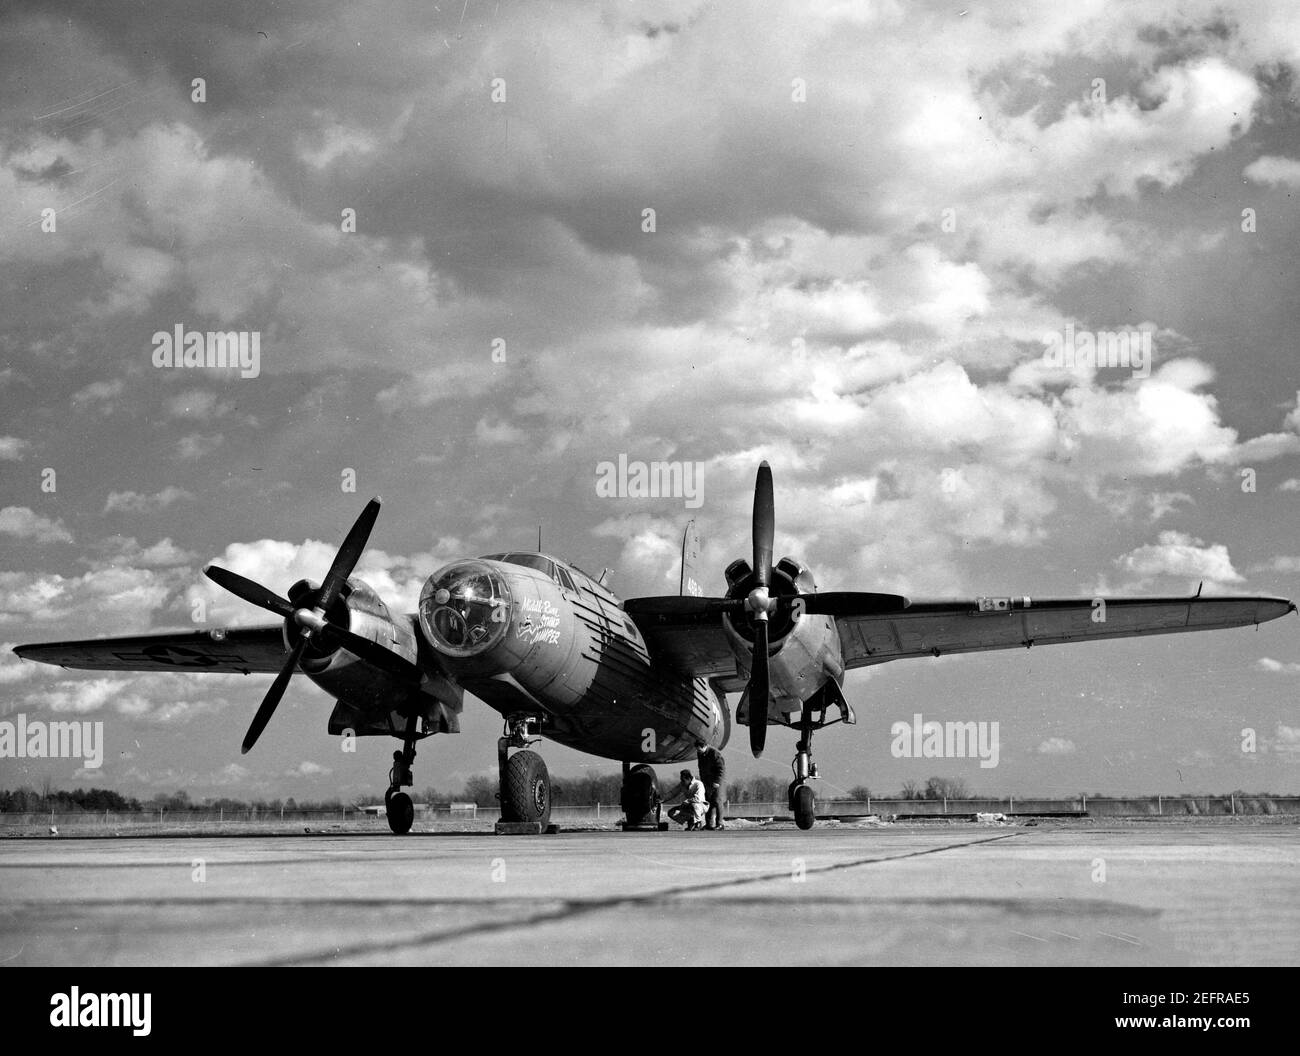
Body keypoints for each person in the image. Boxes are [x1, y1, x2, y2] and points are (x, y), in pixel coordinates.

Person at [696, 740, 726, 830]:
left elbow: (721, 769)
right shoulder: (700, 754)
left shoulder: (715, 754)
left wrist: (717, 781)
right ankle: (709, 824)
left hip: (717, 782)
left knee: (717, 801)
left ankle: (720, 824)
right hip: (707, 782)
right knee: (708, 802)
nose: (698, 751)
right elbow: (701, 768)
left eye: (699, 749)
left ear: (705, 746)